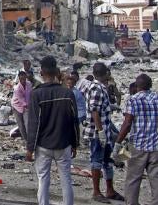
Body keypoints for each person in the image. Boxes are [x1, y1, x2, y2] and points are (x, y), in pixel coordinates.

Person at [26, 56, 78, 205]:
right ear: (57, 71)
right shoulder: (67, 94)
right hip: (64, 144)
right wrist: (75, 143)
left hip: (43, 146)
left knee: (43, 181)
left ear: (41, 72)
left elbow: (34, 124)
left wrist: (30, 148)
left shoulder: (36, 94)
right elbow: (74, 122)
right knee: (66, 180)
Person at [77, 63, 125, 203]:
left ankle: (109, 190)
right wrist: (101, 131)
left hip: (104, 130)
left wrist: (111, 107)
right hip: (98, 133)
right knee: (97, 161)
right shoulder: (97, 88)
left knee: (108, 161)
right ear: (106, 73)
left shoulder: (98, 87)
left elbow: (99, 107)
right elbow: (95, 111)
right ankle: (96, 192)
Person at [115, 74, 158, 205]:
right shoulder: (157, 98)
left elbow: (127, 124)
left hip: (137, 146)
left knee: (133, 179)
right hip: (156, 146)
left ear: (137, 86)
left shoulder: (133, 100)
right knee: (156, 179)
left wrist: (117, 143)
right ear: (150, 85)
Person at [11, 71, 32, 142]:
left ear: (26, 77)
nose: (23, 81)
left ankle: (30, 140)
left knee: (27, 123)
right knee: (21, 125)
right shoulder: (17, 89)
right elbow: (21, 101)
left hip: (26, 105)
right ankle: (26, 140)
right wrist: (29, 106)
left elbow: (30, 94)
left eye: (24, 79)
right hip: (17, 106)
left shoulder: (29, 84)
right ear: (19, 79)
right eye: (21, 79)